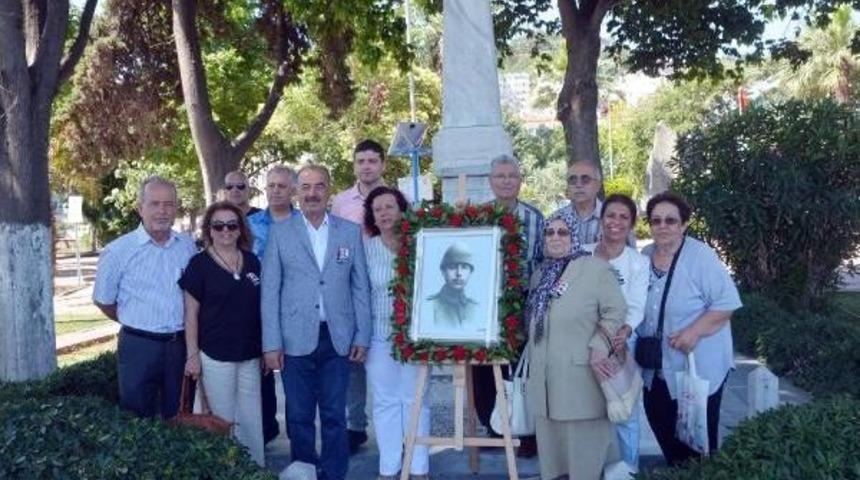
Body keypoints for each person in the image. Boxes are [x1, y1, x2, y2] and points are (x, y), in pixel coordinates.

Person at [261, 165, 372, 480]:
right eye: (306, 186)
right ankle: (304, 471)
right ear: (297, 191)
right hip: (295, 339)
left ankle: (335, 473)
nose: (312, 193)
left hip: (337, 338)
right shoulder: (280, 233)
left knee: (336, 415)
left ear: (329, 191)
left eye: (319, 186)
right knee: (298, 416)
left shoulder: (348, 232)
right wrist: (271, 344)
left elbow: (359, 286)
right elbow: (270, 292)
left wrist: (362, 336)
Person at [637, 192, 742, 466]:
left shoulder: (700, 256)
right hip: (657, 367)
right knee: (664, 431)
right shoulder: (645, 255)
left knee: (698, 446)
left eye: (671, 220)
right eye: (656, 220)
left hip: (697, 370)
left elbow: (728, 302)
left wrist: (693, 331)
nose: (662, 226)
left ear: (684, 224)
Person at [525, 211, 627, 480]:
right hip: (546, 379)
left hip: (581, 377)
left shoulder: (595, 268)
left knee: (585, 453)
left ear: (574, 236)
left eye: (563, 232)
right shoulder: (540, 275)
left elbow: (616, 310)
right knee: (552, 454)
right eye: (549, 232)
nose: (555, 237)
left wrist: (600, 344)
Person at [92, 176, 197, 418]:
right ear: (140, 209)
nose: (162, 210)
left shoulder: (187, 246)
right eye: (154, 204)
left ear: (176, 208)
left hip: (179, 346)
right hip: (138, 347)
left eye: (169, 204)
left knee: (180, 416)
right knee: (136, 418)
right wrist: (134, 320)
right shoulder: (118, 251)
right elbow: (103, 300)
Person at [179, 201, 264, 465]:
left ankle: (253, 469)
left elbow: (260, 308)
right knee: (220, 421)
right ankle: (225, 470)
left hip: (249, 354)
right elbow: (190, 314)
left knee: (250, 419)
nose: (225, 230)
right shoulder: (198, 265)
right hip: (215, 356)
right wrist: (192, 355)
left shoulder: (251, 261)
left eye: (232, 225)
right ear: (209, 230)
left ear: (240, 229)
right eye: (218, 225)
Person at [474, 154, 543, 456]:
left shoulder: (536, 218)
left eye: (511, 176)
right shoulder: (476, 216)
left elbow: (541, 263)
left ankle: (522, 431)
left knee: (520, 371)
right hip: (484, 309)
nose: (505, 181)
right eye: (500, 176)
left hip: (521, 306)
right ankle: (491, 430)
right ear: (491, 181)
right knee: (484, 369)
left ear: (520, 180)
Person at [362, 186, 430, 480]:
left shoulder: (420, 245)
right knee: (385, 401)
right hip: (379, 336)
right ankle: (389, 468)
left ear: (402, 210)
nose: (384, 213)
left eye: (390, 207)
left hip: (416, 337)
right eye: (378, 210)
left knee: (415, 400)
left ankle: (418, 468)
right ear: (372, 218)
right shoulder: (366, 249)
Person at [582, 194, 649, 473]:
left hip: (621, 342)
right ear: (601, 219)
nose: (616, 222)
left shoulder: (638, 263)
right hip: (585, 342)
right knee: (587, 411)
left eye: (624, 217)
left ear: (632, 223)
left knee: (625, 411)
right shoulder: (583, 254)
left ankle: (628, 469)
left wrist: (623, 330)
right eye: (611, 215)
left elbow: (636, 305)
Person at [331, 139, 386, 452]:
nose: (366, 166)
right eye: (361, 161)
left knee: (382, 359)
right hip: (350, 289)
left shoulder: (397, 198)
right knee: (353, 359)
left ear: (382, 165)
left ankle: (394, 426)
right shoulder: (341, 202)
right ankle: (356, 426)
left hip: (383, 287)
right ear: (354, 165)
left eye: (372, 161)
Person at [248, 164, 298, 444]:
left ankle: (299, 443)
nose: (275, 191)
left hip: (295, 311)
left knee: (296, 385)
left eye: (281, 186)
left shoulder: (305, 223)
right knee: (260, 376)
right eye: (271, 186)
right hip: (257, 310)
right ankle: (264, 434)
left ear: (292, 190)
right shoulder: (250, 226)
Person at [551, 161, 635, 246]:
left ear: (598, 185)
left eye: (585, 179)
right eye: (573, 180)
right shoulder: (555, 219)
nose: (578, 185)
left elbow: (630, 255)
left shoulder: (617, 219)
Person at [426, 243, 479, 329]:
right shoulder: (429, 307)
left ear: (470, 272)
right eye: (452, 267)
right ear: (443, 272)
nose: (459, 273)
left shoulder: (476, 309)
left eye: (464, 267)